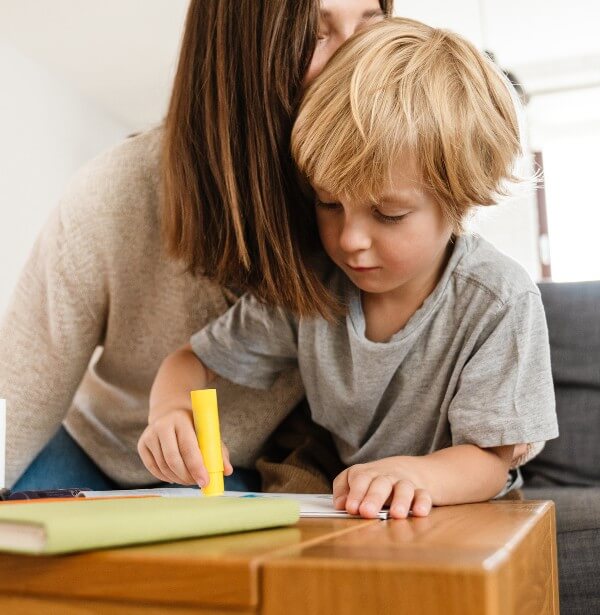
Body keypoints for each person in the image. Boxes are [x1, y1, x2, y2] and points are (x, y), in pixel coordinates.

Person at [138, 17, 559, 519]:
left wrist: (415, 475)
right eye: (329, 204)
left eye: (388, 214)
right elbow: (190, 360)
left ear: (461, 200)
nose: (350, 240)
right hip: (341, 491)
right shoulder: (315, 282)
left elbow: (492, 462)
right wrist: (168, 411)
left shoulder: (498, 300)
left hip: (458, 496)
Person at [1, 0, 393, 491]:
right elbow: (13, 403)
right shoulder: (113, 192)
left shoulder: (382, 207)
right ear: (239, 55)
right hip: (93, 452)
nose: (357, 63)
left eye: (370, 25)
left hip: (235, 472)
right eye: (313, 35)